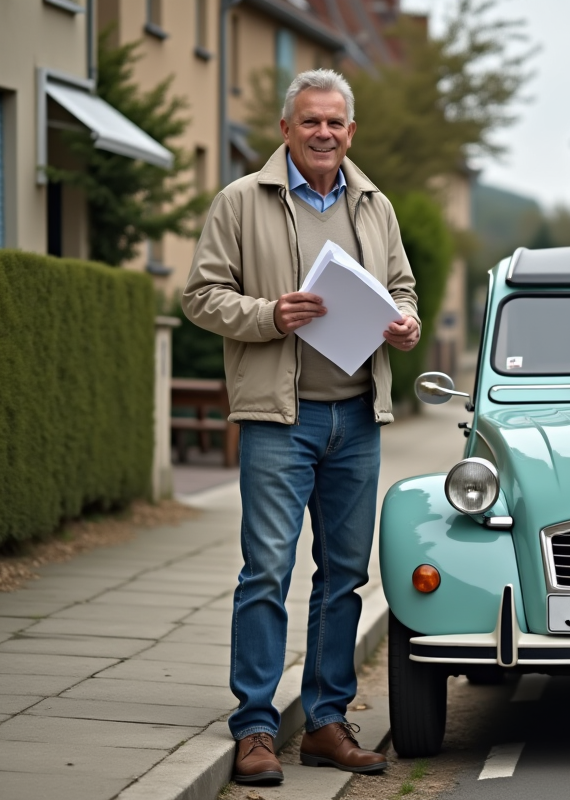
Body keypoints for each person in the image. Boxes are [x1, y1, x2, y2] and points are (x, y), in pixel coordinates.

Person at [182, 69, 420, 786]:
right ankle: (256, 727)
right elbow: (200, 295)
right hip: (279, 420)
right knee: (267, 571)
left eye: (335, 122)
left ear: (351, 131)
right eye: (310, 121)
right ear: (286, 129)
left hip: (357, 417)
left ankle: (324, 723)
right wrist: (269, 315)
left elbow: (401, 288)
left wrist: (405, 324)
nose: (323, 133)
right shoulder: (240, 201)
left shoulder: (375, 205)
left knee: (345, 577)